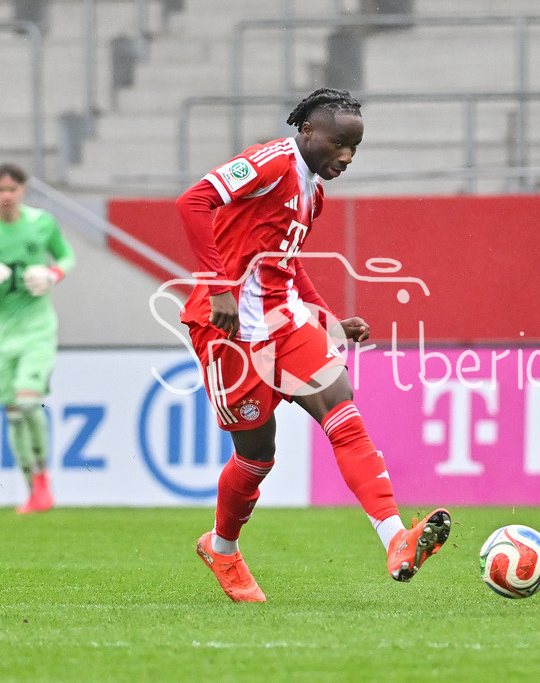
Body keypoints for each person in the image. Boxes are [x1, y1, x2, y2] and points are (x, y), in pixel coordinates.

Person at [176, 88, 451, 602]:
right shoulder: (269, 162)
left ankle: (398, 540)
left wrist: (325, 319)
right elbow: (193, 201)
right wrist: (218, 287)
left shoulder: (314, 193)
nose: (346, 156)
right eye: (339, 144)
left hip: (283, 324)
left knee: (343, 413)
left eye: (355, 148)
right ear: (306, 132)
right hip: (227, 332)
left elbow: (287, 260)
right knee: (257, 457)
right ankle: (222, 547)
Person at [0, 163, 75, 514]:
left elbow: (67, 257)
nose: (6, 196)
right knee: (13, 414)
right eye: (0, 189)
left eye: (13, 189)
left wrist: (53, 274)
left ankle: (43, 480)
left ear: (23, 191)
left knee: (26, 401)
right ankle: (32, 489)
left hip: (37, 329)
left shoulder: (42, 224)